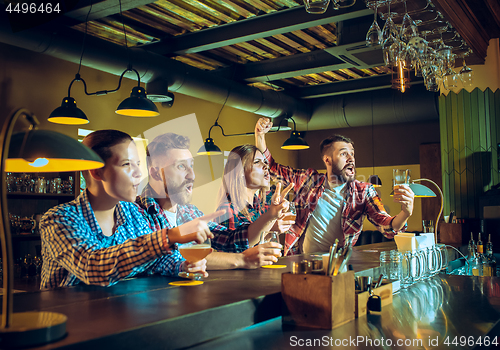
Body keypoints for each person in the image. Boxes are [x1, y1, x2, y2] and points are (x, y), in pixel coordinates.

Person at [40, 129, 219, 289]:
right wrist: (170, 236)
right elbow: (92, 268)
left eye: (138, 164)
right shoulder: (59, 219)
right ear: (96, 171)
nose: (139, 173)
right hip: (69, 322)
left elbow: (156, 261)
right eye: (126, 164)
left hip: (119, 320)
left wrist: (183, 266)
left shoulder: (132, 213)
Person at [254, 117, 415, 255]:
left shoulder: (364, 192)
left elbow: (385, 225)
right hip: (300, 262)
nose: (351, 158)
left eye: (352, 153)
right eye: (344, 153)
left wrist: (405, 213)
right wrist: (260, 135)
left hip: (337, 265)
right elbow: (273, 169)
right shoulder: (308, 180)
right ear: (327, 160)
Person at [136, 133, 285, 269]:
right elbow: (165, 257)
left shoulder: (190, 212)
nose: (192, 175)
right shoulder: (136, 212)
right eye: (181, 166)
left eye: (192, 166)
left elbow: (229, 241)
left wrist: (271, 214)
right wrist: (241, 259)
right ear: (155, 173)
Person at [214, 144, 295, 250]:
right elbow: (233, 254)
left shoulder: (260, 206)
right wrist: (269, 226)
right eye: (257, 162)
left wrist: (271, 230)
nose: (266, 166)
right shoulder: (227, 209)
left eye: (265, 162)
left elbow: (259, 247)